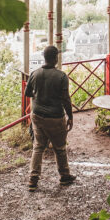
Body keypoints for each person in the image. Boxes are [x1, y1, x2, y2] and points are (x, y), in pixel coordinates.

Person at [24, 45, 76, 191]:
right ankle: (64, 176)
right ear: (55, 58)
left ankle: (32, 180)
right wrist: (70, 116)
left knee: (38, 147)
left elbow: (27, 93)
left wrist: (40, 95)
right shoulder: (61, 76)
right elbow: (66, 99)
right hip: (55, 118)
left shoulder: (35, 74)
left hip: (37, 116)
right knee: (59, 148)